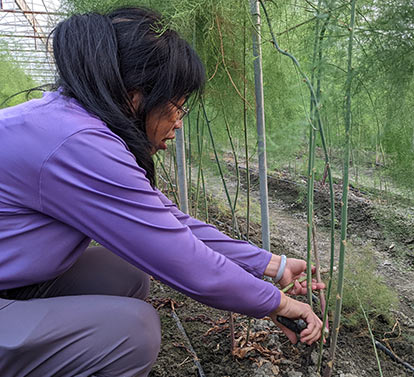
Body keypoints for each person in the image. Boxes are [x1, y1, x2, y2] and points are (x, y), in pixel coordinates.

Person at [0, 7, 324, 376]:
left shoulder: (68, 121)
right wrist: (277, 303)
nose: (179, 124)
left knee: (123, 274)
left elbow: (168, 220)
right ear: (136, 95)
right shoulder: (77, 144)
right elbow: (185, 261)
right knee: (132, 332)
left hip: (13, 280)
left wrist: (273, 266)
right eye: (177, 106)